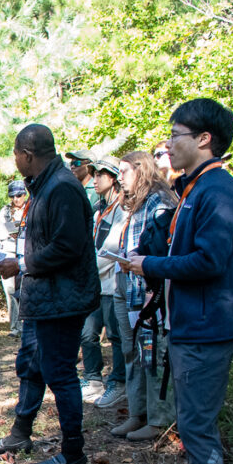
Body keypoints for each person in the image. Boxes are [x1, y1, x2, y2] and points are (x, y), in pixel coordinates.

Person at [125, 98, 233, 464]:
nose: (168, 144)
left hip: (208, 329)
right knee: (194, 429)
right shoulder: (196, 188)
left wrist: (150, 265)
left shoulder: (217, 189)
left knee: (200, 433)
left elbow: (210, 261)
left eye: (176, 134)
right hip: (191, 326)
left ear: (204, 139)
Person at [0, 125, 100, 464]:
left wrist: (20, 264)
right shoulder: (45, 185)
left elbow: (67, 246)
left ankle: (73, 452)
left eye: (16, 154)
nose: (15, 160)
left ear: (27, 155)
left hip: (63, 300)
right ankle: (20, 434)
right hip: (42, 298)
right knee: (31, 364)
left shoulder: (62, 187)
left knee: (59, 372)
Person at [110, 152, 177, 442]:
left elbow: (162, 249)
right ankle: (137, 413)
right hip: (125, 285)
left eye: (124, 171)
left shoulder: (159, 201)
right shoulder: (132, 202)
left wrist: (153, 287)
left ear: (141, 170)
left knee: (152, 352)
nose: (119, 177)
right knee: (131, 352)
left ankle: (159, 419)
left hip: (148, 289)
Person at [79, 157, 128, 409]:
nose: (95, 179)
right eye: (93, 174)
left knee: (116, 336)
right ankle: (92, 379)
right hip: (94, 286)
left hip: (110, 284)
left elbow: (111, 251)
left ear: (113, 178)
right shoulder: (98, 209)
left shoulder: (122, 210)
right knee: (87, 334)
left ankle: (118, 383)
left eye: (100, 174)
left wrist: (84, 272)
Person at [0, 180, 27, 337]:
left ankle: (27, 326)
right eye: (13, 196)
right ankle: (15, 327)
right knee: (11, 291)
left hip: (26, 254)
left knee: (25, 290)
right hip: (9, 252)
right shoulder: (5, 211)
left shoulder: (31, 208)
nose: (16, 199)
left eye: (19, 195)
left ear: (25, 194)